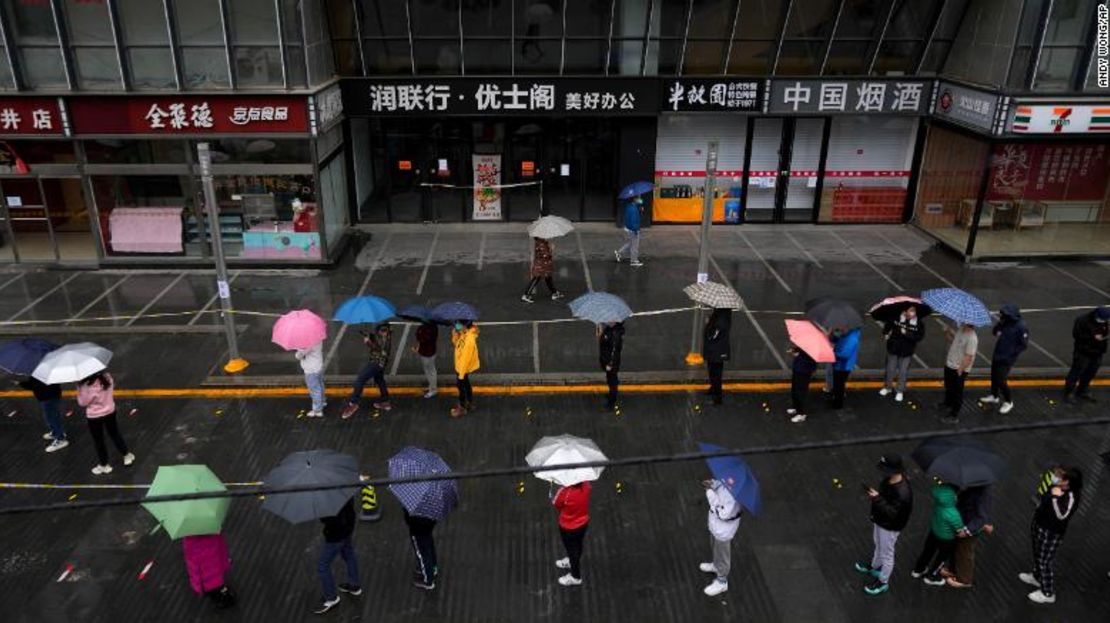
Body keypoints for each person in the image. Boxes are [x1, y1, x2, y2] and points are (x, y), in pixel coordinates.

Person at [1020, 467, 1082, 604]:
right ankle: (1036, 577)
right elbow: (1042, 497)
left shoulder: (1071, 496)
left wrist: (1055, 497)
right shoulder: (1057, 485)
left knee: (1045, 561)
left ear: (1069, 483)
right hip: (1040, 523)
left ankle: (1047, 592)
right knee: (1037, 553)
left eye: (1063, 479)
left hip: (1052, 532)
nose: (1058, 479)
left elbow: (1062, 515)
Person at [854, 454, 913, 595]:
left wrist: (876, 498)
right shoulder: (890, 480)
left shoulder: (902, 492)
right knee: (878, 544)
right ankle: (875, 566)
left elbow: (893, 513)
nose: (882, 472)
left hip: (890, 525)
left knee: (887, 553)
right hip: (881, 520)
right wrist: (878, 498)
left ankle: (883, 581)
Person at [911, 483, 969, 585]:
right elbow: (960, 531)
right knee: (941, 558)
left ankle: (918, 570)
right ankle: (932, 576)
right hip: (946, 539)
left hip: (933, 532)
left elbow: (937, 482)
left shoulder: (938, 504)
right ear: (952, 497)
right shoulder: (953, 514)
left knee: (927, 552)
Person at [76, 371, 133, 475]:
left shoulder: (85, 386)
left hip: (94, 417)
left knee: (99, 441)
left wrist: (79, 388)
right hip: (110, 411)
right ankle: (126, 455)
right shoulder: (107, 377)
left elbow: (82, 403)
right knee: (115, 434)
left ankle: (104, 465)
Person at [313, 497, 361, 614]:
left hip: (335, 536)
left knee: (322, 566)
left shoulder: (324, 500)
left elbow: (328, 520)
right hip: (348, 528)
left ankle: (331, 598)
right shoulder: (343, 489)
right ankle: (354, 585)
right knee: (348, 553)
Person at [979, 304, 1028, 414]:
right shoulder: (1004, 322)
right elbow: (995, 332)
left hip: (1007, 358)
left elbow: (1023, 345)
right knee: (993, 375)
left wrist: (1011, 354)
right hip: (998, 353)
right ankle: (994, 396)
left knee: (1001, 380)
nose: (1002, 316)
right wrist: (999, 326)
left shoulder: (1021, 327)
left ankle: (1008, 401)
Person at [340, 323, 392, 418]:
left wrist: (368, 342)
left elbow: (379, 349)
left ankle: (353, 404)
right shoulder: (384, 335)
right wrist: (368, 335)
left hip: (376, 363)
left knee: (360, 380)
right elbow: (377, 338)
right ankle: (385, 402)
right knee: (380, 380)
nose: (382, 332)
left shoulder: (385, 339)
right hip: (381, 364)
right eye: (381, 330)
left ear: (386, 331)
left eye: (384, 331)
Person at [699, 478, 741, 596]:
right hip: (715, 526)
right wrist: (713, 483)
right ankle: (716, 566)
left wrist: (709, 492)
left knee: (722, 554)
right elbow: (721, 484)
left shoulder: (734, 499)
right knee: (714, 547)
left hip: (723, 531)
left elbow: (723, 514)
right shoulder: (730, 481)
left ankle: (722, 582)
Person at [947, 485, 995, 588]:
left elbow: (981, 517)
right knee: (957, 547)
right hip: (963, 521)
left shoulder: (983, 493)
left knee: (965, 551)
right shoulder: (976, 486)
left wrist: (968, 530)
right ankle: (953, 570)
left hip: (969, 526)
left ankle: (964, 579)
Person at [1062, 306, 1108, 404]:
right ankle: (1069, 392)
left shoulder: (1104, 321)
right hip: (1083, 351)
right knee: (1076, 372)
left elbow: (1105, 331)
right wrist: (1093, 337)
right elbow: (1076, 335)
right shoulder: (1082, 320)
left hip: (1097, 351)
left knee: (1091, 372)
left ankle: (1082, 390)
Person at [879, 306, 924, 403]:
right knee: (890, 369)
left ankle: (900, 390)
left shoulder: (918, 323)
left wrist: (906, 333)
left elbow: (919, 337)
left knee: (903, 371)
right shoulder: (896, 318)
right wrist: (886, 334)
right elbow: (887, 327)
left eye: (914, 311)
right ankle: (887, 387)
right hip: (893, 348)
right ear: (905, 310)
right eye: (911, 310)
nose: (913, 313)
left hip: (907, 351)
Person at [553, 480, 591, 587]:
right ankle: (572, 560)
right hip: (583, 523)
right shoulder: (586, 485)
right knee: (578, 545)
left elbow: (556, 504)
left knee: (571, 549)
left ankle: (575, 577)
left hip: (568, 527)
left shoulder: (565, 492)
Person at [182, 533, 235, 609]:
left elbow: (191, 557)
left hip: (203, 573)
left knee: (212, 589)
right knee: (216, 583)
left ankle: (222, 598)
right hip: (213, 566)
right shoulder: (213, 532)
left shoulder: (189, 539)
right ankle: (224, 595)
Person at [940, 323, 978, 422]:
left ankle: (954, 415)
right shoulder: (961, 330)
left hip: (959, 368)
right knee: (948, 386)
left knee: (957, 392)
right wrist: (947, 332)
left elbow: (969, 357)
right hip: (949, 364)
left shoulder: (972, 338)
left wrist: (960, 370)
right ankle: (947, 403)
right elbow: (953, 342)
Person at [19, 375, 67, 452]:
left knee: (52, 418)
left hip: (48, 398)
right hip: (50, 396)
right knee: (52, 417)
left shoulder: (40, 372)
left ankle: (60, 439)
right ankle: (56, 432)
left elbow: (35, 386)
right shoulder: (44, 370)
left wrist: (21, 383)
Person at [824, 327, 860, 410]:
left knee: (839, 385)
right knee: (838, 384)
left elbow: (845, 354)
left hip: (843, 366)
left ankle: (837, 404)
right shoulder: (847, 334)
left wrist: (833, 352)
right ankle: (836, 397)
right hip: (840, 364)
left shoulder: (852, 338)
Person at [450, 320, 480, 418]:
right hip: (460, 367)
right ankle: (469, 403)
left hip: (461, 369)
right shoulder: (465, 334)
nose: (457, 325)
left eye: (459, 324)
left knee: (461, 387)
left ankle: (462, 408)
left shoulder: (469, 340)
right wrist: (455, 335)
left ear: (465, 326)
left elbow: (465, 359)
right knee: (466, 385)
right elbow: (457, 345)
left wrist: (461, 375)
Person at [702, 308, 731, 406]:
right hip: (715, 349)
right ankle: (713, 389)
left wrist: (708, 324)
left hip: (718, 349)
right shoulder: (720, 311)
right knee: (712, 369)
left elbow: (714, 333)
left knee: (716, 373)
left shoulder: (723, 314)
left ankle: (717, 398)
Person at [522, 237, 563, 303]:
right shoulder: (541, 244)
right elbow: (546, 255)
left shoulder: (542, 242)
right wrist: (551, 249)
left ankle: (554, 292)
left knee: (548, 278)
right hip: (541, 265)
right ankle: (526, 295)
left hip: (543, 265)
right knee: (537, 278)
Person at [405, 509, 439, 590]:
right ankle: (433, 568)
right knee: (430, 548)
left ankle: (428, 581)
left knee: (422, 556)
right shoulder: (432, 504)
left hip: (418, 532)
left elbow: (409, 520)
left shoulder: (413, 509)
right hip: (428, 529)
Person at [598, 321, 624, 411]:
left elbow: (614, 352)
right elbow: (603, 341)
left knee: (612, 381)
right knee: (609, 379)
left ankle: (612, 402)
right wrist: (601, 331)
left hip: (611, 364)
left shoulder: (615, 335)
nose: (608, 320)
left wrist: (610, 364)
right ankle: (611, 394)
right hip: (606, 360)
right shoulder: (610, 330)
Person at [786, 346, 816, 424]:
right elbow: (802, 349)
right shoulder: (806, 342)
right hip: (798, 368)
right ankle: (795, 407)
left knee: (800, 392)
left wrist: (798, 355)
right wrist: (794, 350)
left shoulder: (814, 346)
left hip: (804, 372)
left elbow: (811, 360)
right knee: (795, 389)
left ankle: (801, 414)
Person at [296, 341, 325, 417]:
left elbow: (299, 356)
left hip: (310, 369)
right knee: (320, 385)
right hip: (318, 365)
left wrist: (298, 350)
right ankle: (322, 402)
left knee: (314, 389)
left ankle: (317, 410)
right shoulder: (318, 338)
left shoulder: (307, 343)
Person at [613, 195, 644, 267]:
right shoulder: (633, 209)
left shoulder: (630, 206)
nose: (640, 199)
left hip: (628, 229)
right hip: (633, 230)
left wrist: (640, 210)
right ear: (635, 199)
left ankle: (619, 253)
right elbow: (633, 221)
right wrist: (636, 230)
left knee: (630, 244)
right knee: (634, 246)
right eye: (638, 198)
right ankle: (634, 261)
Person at [414, 319, 438, 399]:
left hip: (427, 353)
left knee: (430, 371)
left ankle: (433, 389)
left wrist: (419, 332)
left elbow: (421, 339)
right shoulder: (434, 327)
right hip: (431, 352)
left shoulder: (426, 330)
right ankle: (431, 386)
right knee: (431, 370)